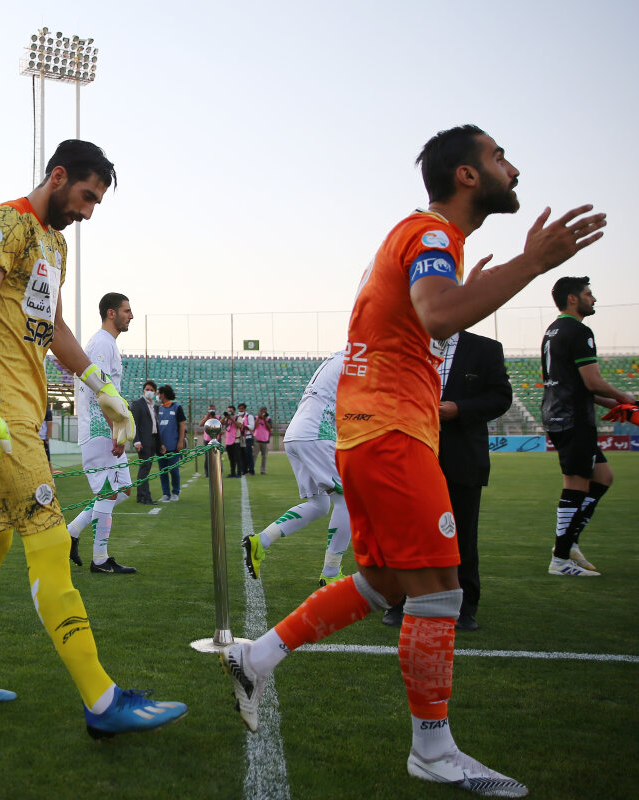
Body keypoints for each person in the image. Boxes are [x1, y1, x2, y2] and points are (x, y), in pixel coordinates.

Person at [223, 124, 605, 797]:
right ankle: (432, 748)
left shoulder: (427, 240)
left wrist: (474, 290)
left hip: (372, 437)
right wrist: (533, 261)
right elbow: (435, 314)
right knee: (441, 590)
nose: (512, 169)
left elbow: (424, 319)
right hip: (391, 435)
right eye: (499, 157)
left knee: (384, 583)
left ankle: (257, 656)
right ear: (466, 175)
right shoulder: (431, 234)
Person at [0, 139, 185, 738]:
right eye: (87, 196)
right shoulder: (4, 223)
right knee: (49, 544)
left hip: (22, 413)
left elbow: (53, 329)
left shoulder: (55, 245)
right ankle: (102, 700)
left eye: (97, 202)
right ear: (58, 175)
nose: (89, 211)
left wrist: (102, 387)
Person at [383, 330, 512, 630]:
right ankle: (399, 601)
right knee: (406, 534)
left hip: (461, 457)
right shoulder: (405, 344)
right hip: (409, 454)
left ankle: (464, 608)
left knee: (461, 535)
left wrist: (460, 409)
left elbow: (500, 397)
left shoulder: (485, 348)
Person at [541, 277, 635, 577]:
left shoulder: (552, 330)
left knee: (603, 477)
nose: (593, 299)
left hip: (559, 413)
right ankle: (560, 559)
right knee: (576, 484)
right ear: (572, 298)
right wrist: (626, 398)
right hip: (573, 418)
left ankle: (568, 544)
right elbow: (593, 381)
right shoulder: (579, 330)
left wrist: (616, 404)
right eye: (588, 294)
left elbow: (578, 385)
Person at [244, 350, 351, 587]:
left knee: (319, 505)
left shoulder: (339, 356)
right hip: (317, 434)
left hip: (297, 434)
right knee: (348, 502)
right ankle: (331, 573)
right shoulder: (360, 357)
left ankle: (260, 541)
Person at [66, 292, 136, 574]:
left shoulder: (108, 343)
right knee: (108, 493)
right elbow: (100, 393)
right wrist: (114, 431)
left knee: (123, 490)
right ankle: (100, 559)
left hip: (105, 428)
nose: (131, 315)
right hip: (99, 429)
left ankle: (71, 532)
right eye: (126, 310)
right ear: (111, 313)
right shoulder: (101, 343)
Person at [128, 380, 160, 505]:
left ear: (155, 392)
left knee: (146, 468)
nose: (149, 392)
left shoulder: (155, 406)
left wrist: (160, 443)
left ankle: (141, 496)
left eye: (152, 390)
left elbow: (156, 425)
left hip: (153, 440)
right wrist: (136, 441)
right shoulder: (137, 404)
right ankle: (144, 497)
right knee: (144, 469)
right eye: (147, 389)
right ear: (143, 391)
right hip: (143, 441)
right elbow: (134, 424)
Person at [156, 385, 186, 502]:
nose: (157, 396)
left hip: (173, 444)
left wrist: (180, 441)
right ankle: (166, 493)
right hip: (160, 446)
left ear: (163, 394)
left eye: (159, 393)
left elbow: (182, 425)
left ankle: (175, 492)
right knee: (162, 471)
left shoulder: (177, 407)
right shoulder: (158, 409)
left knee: (174, 470)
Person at [237, 403, 256, 475]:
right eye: (239, 409)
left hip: (248, 437)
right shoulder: (237, 416)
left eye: (242, 408)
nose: (240, 410)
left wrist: (243, 426)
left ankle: (251, 470)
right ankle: (244, 470)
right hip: (241, 437)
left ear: (245, 409)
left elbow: (252, 427)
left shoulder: (249, 416)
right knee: (242, 455)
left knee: (248, 454)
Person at [223, 405, 242, 477]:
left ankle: (239, 473)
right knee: (231, 458)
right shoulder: (227, 419)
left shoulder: (238, 417)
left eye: (231, 411)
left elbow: (239, 426)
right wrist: (225, 416)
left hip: (236, 440)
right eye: (228, 411)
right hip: (228, 441)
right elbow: (221, 423)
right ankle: (232, 473)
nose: (229, 412)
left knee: (237, 458)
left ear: (234, 411)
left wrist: (231, 419)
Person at [253, 407, 272, 474]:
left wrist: (264, 419)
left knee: (264, 456)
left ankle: (263, 470)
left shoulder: (268, 419)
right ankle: (251, 469)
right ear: (260, 411)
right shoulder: (255, 418)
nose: (264, 413)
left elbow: (269, 428)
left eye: (265, 412)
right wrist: (259, 417)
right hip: (256, 439)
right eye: (262, 412)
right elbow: (254, 427)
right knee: (254, 455)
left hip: (265, 440)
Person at [38, 403, 53, 468]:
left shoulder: (47, 411)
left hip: (43, 438)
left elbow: (50, 426)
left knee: (47, 460)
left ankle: (51, 474)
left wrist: (47, 438)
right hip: (34, 437)